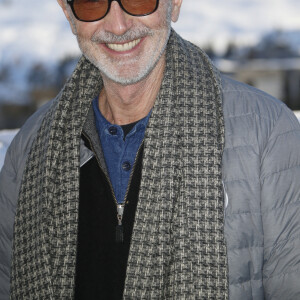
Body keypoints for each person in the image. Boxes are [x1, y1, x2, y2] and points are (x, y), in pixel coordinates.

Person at [1, 0, 300, 298]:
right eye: (91, 3)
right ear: (68, 13)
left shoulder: (268, 134)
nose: (118, 26)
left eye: (138, 0)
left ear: (175, 4)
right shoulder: (29, 149)